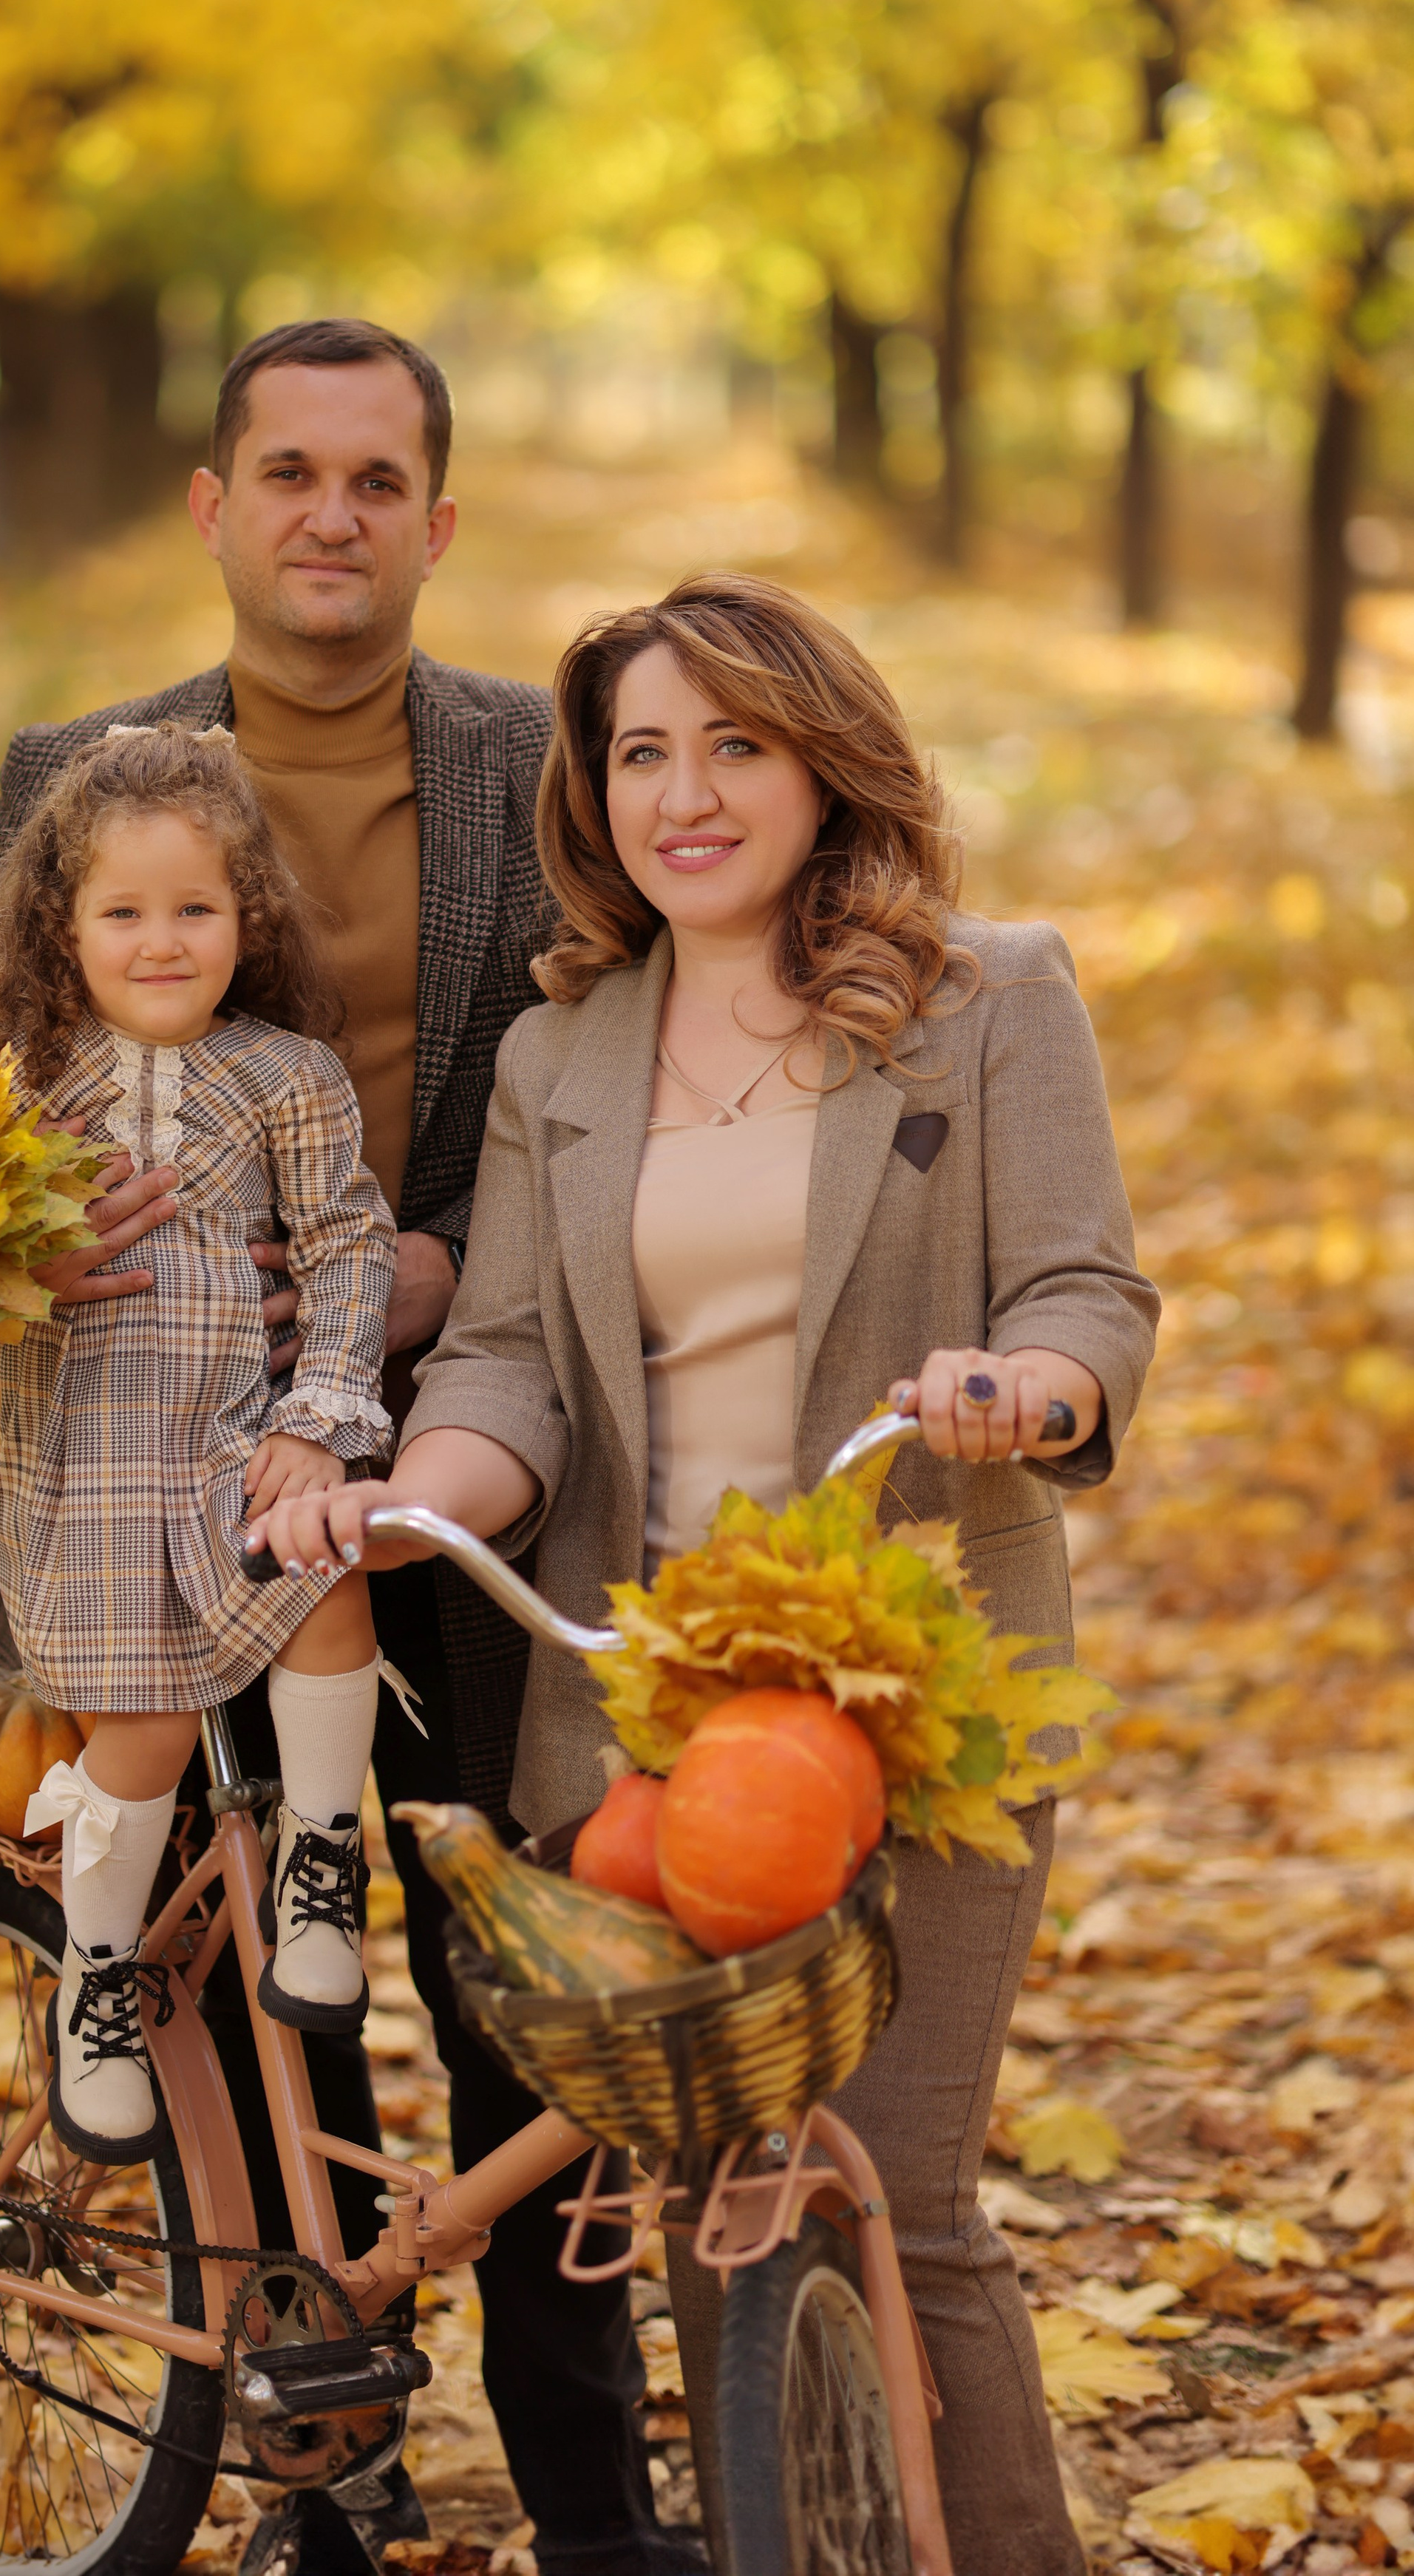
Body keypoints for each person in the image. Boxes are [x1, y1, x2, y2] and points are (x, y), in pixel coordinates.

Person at [249, 572, 1161, 2576]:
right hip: (642, 1701)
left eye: (735, 744)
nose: (687, 792)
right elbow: (501, 1357)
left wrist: (1033, 1383)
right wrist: (428, 1495)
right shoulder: (568, 1045)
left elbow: (1089, 1285)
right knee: (710, 2197)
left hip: (917, 1687)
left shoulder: (990, 994)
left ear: (823, 764)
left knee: (900, 2192)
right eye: (643, 752)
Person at [0, 322, 695, 2576]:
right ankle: (321, 2471)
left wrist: (435, 1277)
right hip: (149, 1448)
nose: (331, 514)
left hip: (465, 1421)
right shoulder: (80, 769)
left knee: (509, 1950)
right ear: (213, 504)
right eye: (288, 469)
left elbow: (610, 1082)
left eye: (380, 479)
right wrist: (25, 1241)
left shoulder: (524, 764)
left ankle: (591, 2494)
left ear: (438, 522)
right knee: (240, 1958)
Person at [0, 723, 403, 2157]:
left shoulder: (286, 1077)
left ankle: (324, 1867)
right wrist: (1, 1259)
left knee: (329, 1570)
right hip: (83, 1476)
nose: (162, 941)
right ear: (60, 925)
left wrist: (322, 1425)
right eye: (122, 911)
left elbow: (347, 1249)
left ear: (248, 915)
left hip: (232, 1447)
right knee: (138, 1733)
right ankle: (94, 1973)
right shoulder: (10, 1092)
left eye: (194, 907)